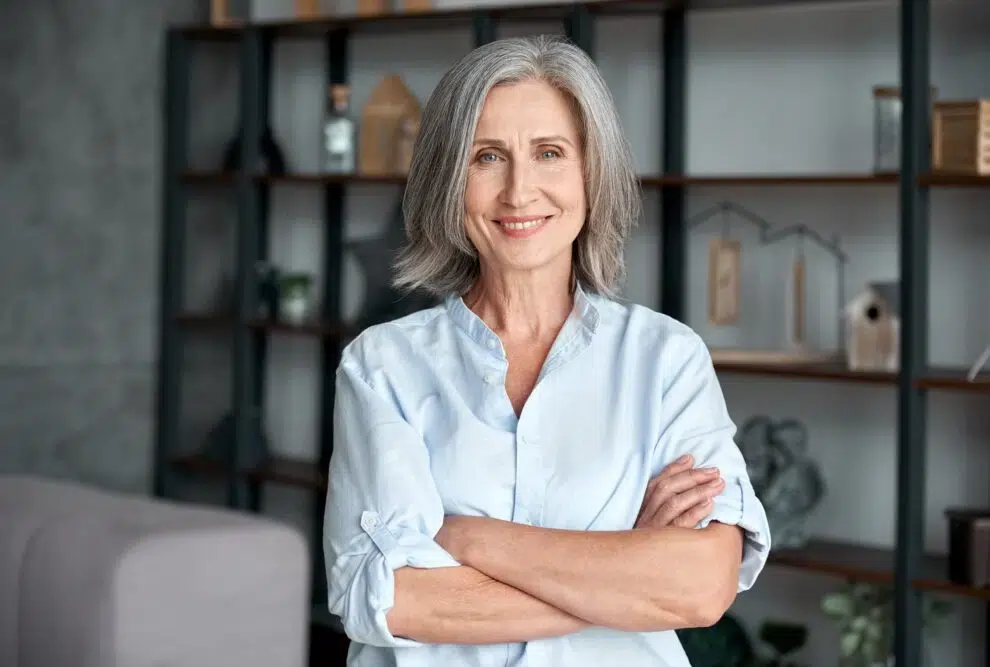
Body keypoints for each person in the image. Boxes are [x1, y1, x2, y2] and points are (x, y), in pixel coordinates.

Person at [323, 34, 771, 667]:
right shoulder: (382, 366)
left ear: (591, 173)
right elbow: (391, 600)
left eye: (550, 153)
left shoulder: (667, 361)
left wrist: (465, 537)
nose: (519, 191)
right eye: (487, 157)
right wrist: (627, 571)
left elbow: (699, 587)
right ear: (449, 181)